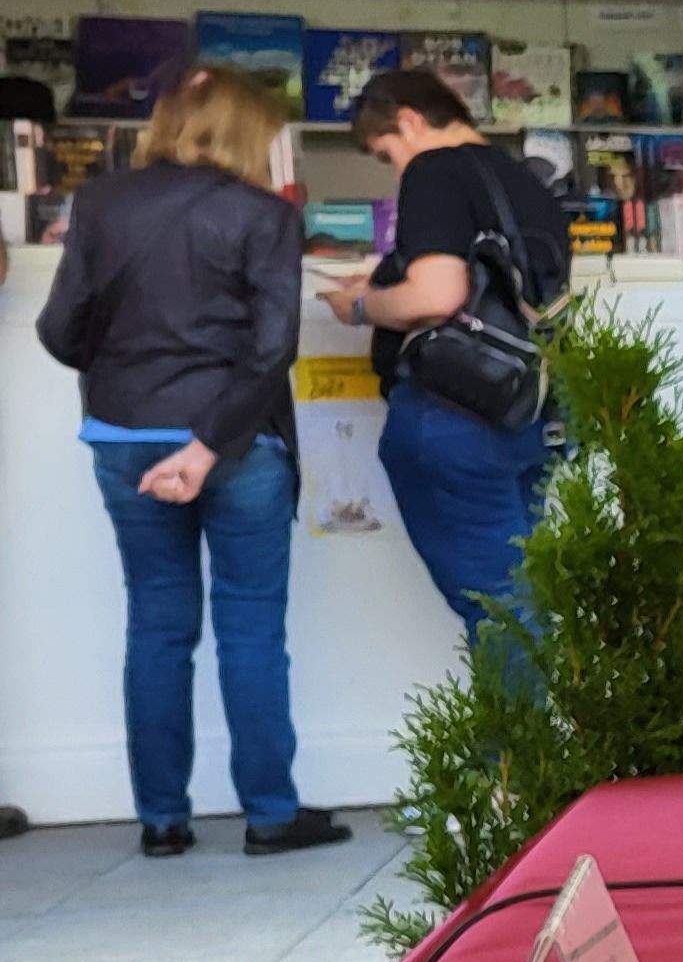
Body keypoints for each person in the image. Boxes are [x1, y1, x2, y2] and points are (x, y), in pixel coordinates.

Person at [38, 67, 351, 857]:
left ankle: (162, 821)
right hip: (236, 443)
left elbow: (58, 330)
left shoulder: (102, 201)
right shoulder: (263, 214)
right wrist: (206, 445)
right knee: (249, 629)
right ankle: (272, 814)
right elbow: (272, 348)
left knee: (156, 625)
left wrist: (125, 375)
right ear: (251, 132)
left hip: (124, 438)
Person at [319, 67, 570, 640]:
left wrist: (361, 305)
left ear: (408, 121)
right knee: (523, 601)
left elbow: (438, 296)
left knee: (505, 616)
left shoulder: (435, 171)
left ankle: (518, 732)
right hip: (530, 413)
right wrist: (389, 278)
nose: (395, 170)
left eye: (387, 155)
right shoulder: (523, 179)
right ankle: (538, 728)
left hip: (457, 419)